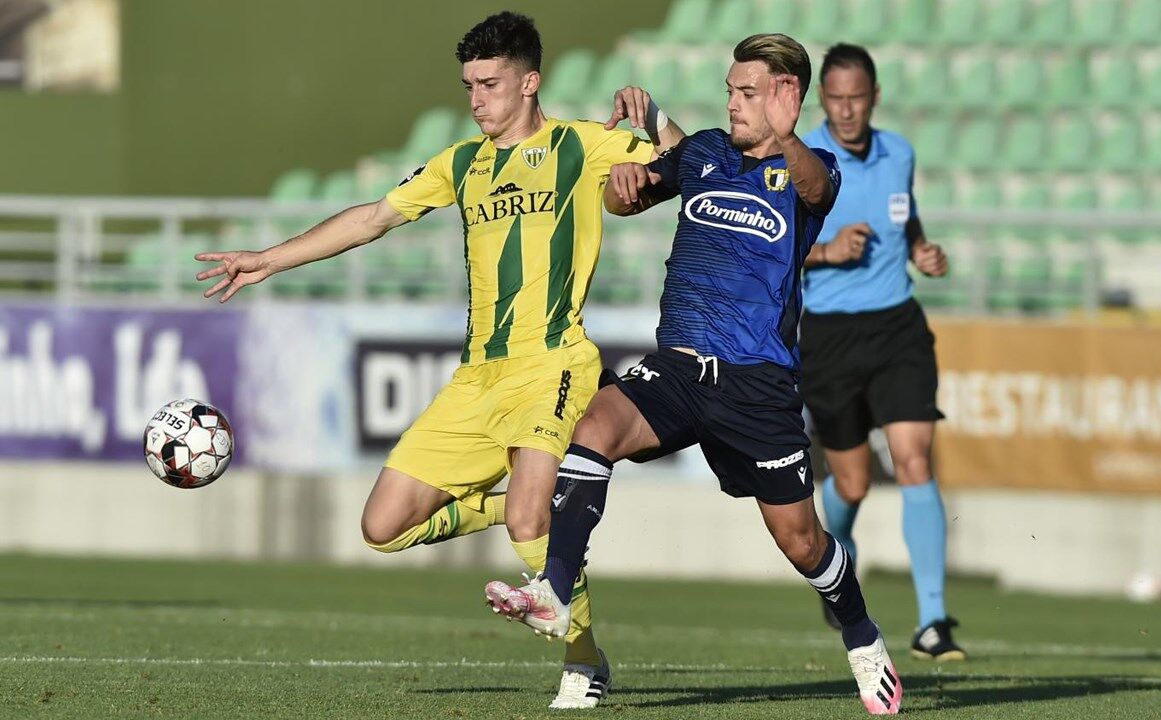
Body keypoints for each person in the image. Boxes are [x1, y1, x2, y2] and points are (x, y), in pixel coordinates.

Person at [193, 12, 684, 709]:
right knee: (383, 527)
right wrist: (269, 260)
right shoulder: (461, 163)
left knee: (530, 525)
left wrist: (656, 118)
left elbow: (695, 162)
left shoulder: (580, 145)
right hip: (476, 378)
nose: (476, 99)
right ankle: (517, 506)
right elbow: (372, 218)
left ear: (530, 82)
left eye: (490, 84)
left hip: (553, 362)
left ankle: (583, 660)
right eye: (469, 86)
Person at [483, 33, 905, 715]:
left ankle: (861, 635)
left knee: (801, 541)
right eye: (730, 91)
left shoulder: (811, 167)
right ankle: (556, 591)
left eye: (747, 93)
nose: (732, 103)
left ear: (786, 96)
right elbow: (631, 195)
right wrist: (627, 183)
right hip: (679, 366)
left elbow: (817, 188)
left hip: (757, 384)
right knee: (595, 427)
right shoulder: (706, 151)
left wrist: (785, 136)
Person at [797, 43, 962, 662]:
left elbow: (906, 218)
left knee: (914, 458)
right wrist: (827, 251)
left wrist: (922, 250)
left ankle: (933, 621)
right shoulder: (802, 161)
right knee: (853, 481)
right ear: (822, 99)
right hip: (831, 337)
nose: (846, 110)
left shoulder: (901, 153)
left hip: (898, 328)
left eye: (857, 98)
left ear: (874, 97)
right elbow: (774, 247)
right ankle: (835, 558)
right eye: (836, 99)